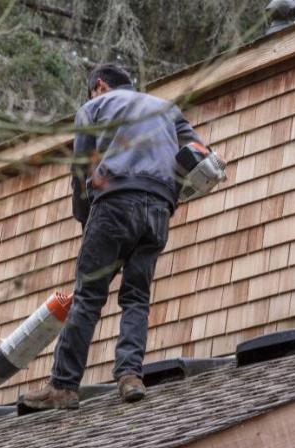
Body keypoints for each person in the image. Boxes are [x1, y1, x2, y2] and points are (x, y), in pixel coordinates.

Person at [22, 64, 204, 409]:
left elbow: (81, 171)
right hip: (159, 209)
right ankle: (130, 376)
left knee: (89, 295)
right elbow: (197, 152)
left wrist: (85, 219)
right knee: (136, 296)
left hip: (115, 202)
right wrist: (169, 196)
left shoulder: (94, 108)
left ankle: (63, 385)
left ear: (99, 86)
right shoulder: (166, 109)